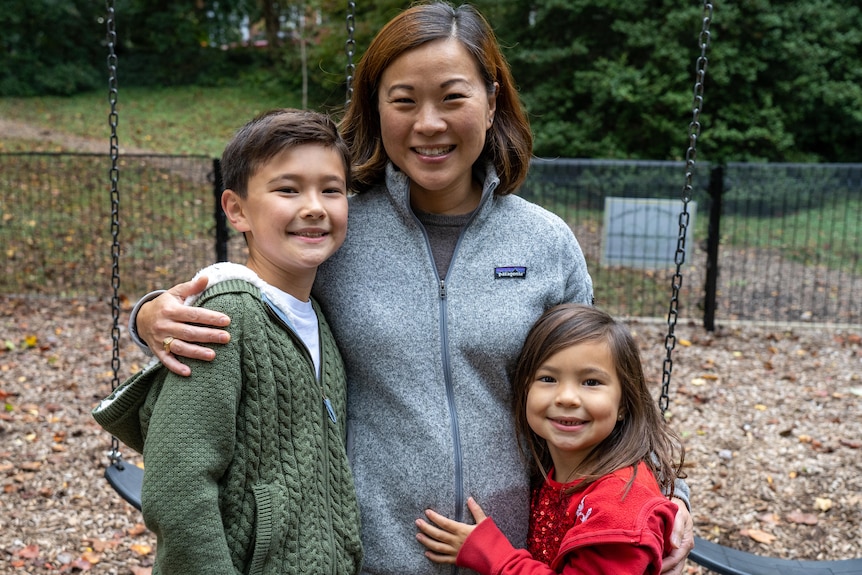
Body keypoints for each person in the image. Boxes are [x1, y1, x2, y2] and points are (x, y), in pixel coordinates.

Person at [125, 3, 694, 574]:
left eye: (452, 97)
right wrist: (152, 313)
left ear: (491, 101)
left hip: (517, 554)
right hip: (363, 554)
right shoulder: (338, 227)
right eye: (403, 100)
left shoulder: (544, 242)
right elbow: (257, 293)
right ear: (376, 107)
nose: (428, 124)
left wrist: (667, 502)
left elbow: (601, 385)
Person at [92, 108, 363, 574]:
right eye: (288, 189)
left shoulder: (318, 316)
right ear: (237, 210)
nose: (315, 205)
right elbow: (178, 487)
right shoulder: (225, 318)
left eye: (331, 189)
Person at [415, 304, 685, 573]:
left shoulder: (619, 505)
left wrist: (492, 553)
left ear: (625, 403)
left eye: (591, 382)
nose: (566, 397)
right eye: (548, 378)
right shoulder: (553, 471)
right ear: (524, 390)